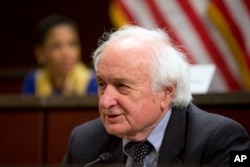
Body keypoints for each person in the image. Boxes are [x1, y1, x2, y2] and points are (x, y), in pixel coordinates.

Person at [62, 25, 250, 167]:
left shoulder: (220, 141)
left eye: (122, 86)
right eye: (102, 84)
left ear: (166, 91)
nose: (105, 101)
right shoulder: (85, 141)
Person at [22, 15, 97, 96]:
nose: (66, 53)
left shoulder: (93, 82)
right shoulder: (34, 81)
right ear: (40, 53)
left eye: (72, 44)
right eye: (56, 46)